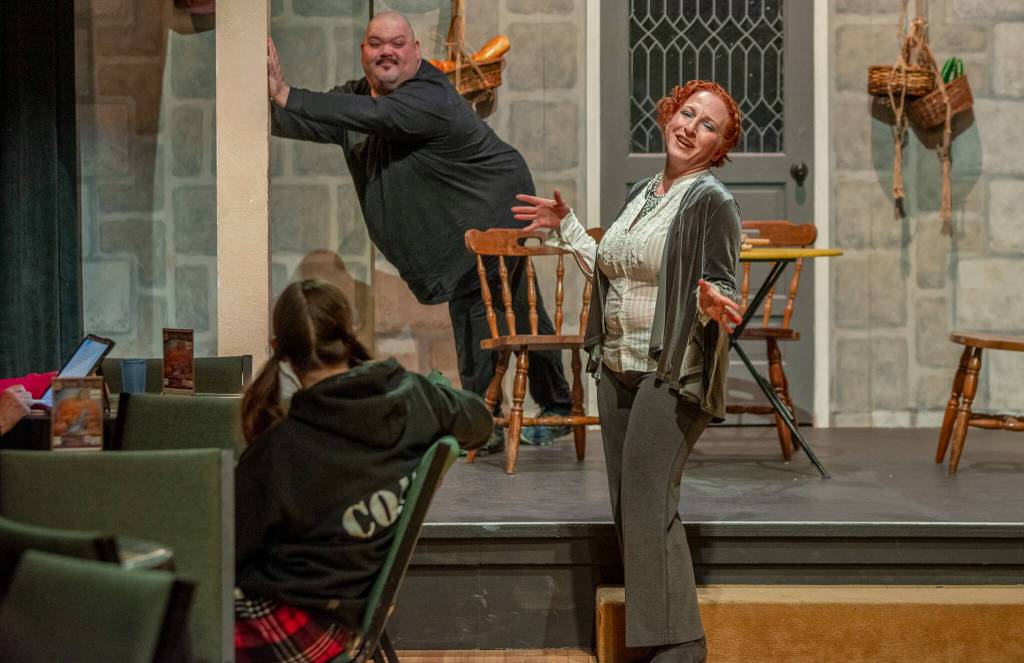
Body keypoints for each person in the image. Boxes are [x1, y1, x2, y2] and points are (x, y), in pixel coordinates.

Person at [512, 80, 744, 663]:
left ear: (719, 147)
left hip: (672, 370)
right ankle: (655, 636)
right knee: (627, 501)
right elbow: (613, 268)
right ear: (670, 115)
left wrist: (713, 301)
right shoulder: (645, 193)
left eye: (708, 125)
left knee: (647, 497)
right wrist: (568, 228)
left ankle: (682, 644)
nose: (691, 126)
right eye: (686, 113)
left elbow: (720, 280)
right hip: (617, 366)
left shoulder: (711, 201)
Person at [266, 11, 573, 450]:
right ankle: (500, 415)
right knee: (498, 305)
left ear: (415, 52)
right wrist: (264, 102)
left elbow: (372, 115)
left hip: (494, 202)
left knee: (488, 306)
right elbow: (312, 117)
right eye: (376, 43)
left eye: (397, 43)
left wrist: (287, 93)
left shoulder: (428, 94)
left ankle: (498, 418)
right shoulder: (358, 99)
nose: (386, 52)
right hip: (462, 218)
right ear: (363, 52)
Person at [234, 279, 492, 663]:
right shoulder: (413, 396)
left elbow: (225, 553)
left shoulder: (278, 452)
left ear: (281, 352)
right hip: (346, 614)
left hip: (304, 620)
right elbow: (480, 422)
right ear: (349, 336)